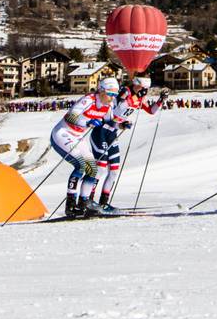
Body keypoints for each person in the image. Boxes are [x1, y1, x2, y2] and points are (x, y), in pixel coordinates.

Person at [87, 76, 169, 213]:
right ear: (136, 85)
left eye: (146, 89)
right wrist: (137, 97)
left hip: (112, 133)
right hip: (101, 130)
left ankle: (103, 203)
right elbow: (118, 108)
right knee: (100, 168)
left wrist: (161, 99)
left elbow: (152, 111)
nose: (144, 91)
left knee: (113, 170)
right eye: (142, 88)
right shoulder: (125, 91)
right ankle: (88, 200)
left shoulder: (139, 97)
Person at [51, 76, 120, 218]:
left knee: (93, 169)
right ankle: (70, 205)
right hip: (63, 133)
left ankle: (84, 203)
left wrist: (121, 124)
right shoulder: (88, 100)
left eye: (115, 95)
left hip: (78, 136)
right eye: (110, 94)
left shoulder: (108, 106)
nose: (112, 98)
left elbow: (109, 122)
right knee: (80, 165)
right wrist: (87, 122)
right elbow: (70, 117)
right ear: (101, 91)